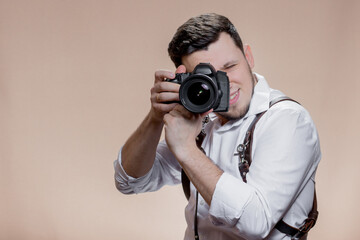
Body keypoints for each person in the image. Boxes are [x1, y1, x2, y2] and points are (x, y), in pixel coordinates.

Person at [114, 13, 321, 240]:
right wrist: (155, 117)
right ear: (189, 80)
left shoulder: (287, 120)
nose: (225, 83)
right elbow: (129, 181)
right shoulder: (200, 121)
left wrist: (187, 150)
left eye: (230, 66)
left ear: (248, 57)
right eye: (210, 76)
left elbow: (256, 222)